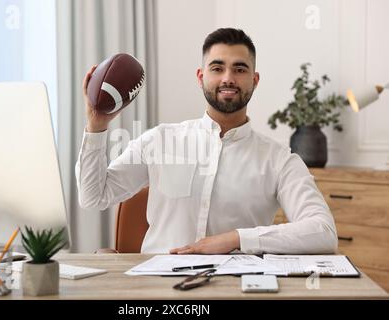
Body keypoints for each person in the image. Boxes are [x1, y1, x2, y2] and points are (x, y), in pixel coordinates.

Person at [75, 28, 338, 255]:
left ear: (254, 81)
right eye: (217, 68)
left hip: (237, 287)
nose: (228, 78)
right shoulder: (159, 141)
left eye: (240, 69)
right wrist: (96, 126)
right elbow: (93, 197)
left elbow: (324, 232)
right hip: (159, 286)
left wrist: (236, 239)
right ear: (201, 77)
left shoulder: (279, 159)